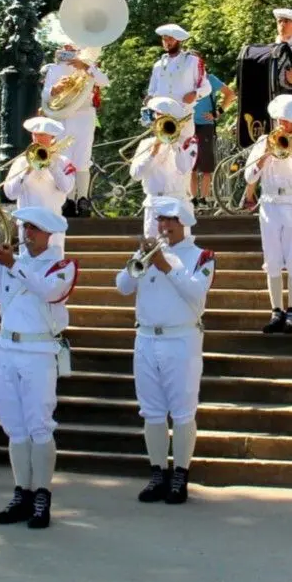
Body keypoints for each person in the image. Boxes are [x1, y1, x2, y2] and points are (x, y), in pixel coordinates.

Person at [0, 206, 77, 530]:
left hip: (38, 351)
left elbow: (50, 290)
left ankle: (42, 495)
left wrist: (14, 264)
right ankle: (21, 492)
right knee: (15, 427)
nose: (26, 234)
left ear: (49, 232)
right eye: (25, 228)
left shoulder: (61, 265)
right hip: (7, 349)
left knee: (39, 425)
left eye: (33, 229)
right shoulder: (9, 264)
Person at [115, 197, 215, 505]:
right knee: (152, 411)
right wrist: (140, 260)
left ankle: (180, 474)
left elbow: (196, 294)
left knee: (183, 412)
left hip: (181, 339)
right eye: (161, 220)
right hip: (146, 338)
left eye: (170, 220)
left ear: (183, 222)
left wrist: (166, 266)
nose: (164, 226)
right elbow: (122, 286)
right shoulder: (148, 252)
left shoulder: (201, 256)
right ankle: (157, 472)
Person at [244, 94, 292, 335]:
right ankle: (276, 309)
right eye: (278, 121)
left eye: (285, 122)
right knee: (273, 259)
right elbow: (249, 177)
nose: (280, 126)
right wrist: (264, 155)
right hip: (269, 202)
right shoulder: (266, 141)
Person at [41, 44, 109, 216]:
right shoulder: (54, 69)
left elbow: (104, 81)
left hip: (84, 115)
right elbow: (45, 94)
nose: (67, 49)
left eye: (71, 47)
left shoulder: (88, 65)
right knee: (65, 157)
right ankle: (69, 200)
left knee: (83, 157)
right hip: (63, 115)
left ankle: (83, 199)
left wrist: (86, 66)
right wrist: (55, 89)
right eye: (65, 46)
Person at [3, 116, 75, 255]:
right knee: (27, 263)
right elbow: (10, 194)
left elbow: (67, 188)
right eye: (34, 134)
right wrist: (26, 171)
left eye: (41, 135)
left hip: (52, 224)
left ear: (51, 137)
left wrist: (52, 165)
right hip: (28, 224)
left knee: (52, 267)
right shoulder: (21, 162)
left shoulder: (63, 162)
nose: (37, 138)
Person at [130, 97, 199, 239]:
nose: (156, 121)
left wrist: (174, 143)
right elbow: (135, 175)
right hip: (155, 205)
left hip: (178, 203)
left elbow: (184, 169)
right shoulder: (146, 144)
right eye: (156, 117)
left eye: (160, 117)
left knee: (181, 256)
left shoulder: (188, 143)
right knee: (154, 256)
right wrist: (153, 153)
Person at [147, 24, 211, 140]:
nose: (166, 42)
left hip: (183, 115)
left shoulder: (193, 61)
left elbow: (207, 87)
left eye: (170, 39)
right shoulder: (157, 65)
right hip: (161, 118)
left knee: (183, 155)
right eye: (164, 39)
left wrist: (195, 94)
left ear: (178, 40)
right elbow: (151, 91)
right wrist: (149, 99)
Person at [191, 71, 236, 208]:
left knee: (206, 165)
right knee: (190, 164)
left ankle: (204, 199)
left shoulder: (209, 79)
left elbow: (230, 94)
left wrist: (217, 112)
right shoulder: (183, 79)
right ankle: (192, 199)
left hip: (205, 125)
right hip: (187, 125)